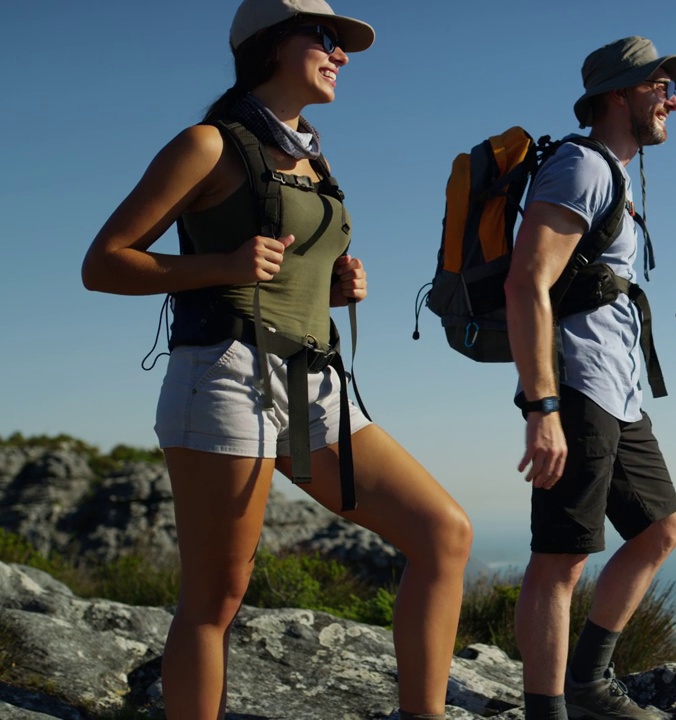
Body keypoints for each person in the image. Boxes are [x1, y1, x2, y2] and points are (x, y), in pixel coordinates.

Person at [80, 2, 471, 718]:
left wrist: (338, 285)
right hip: (227, 376)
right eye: (325, 38)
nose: (341, 55)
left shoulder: (310, 153)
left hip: (314, 380)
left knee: (443, 532)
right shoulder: (208, 145)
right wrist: (219, 265)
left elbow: (291, 270)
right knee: (215, 599)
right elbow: (104, 263)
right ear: (269, 45)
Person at [503, 36, 676, 720]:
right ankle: (547, 709)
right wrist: (542, 405)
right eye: (659, 87)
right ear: (620, 94)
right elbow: (527, 283)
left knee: (660, 529)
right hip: (576, 386)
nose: (672, 99)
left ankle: (586, 684)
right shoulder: (580, 167)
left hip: (618, 391)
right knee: (561, 559)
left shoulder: (611, 171)